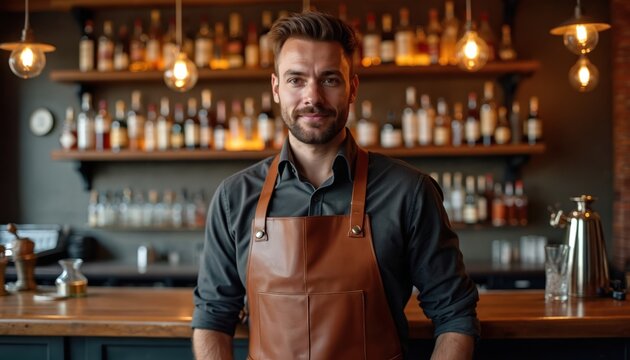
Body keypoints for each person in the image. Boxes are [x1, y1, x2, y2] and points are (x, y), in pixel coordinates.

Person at [192, 11, 480, 360]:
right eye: (296, 80)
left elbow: (455, 315)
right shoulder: (234, 197)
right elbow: (212, 318)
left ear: (352, 88)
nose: (312, 97)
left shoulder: (410, 192)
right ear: (276, 89)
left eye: (329, 79)